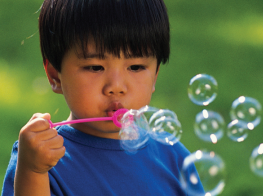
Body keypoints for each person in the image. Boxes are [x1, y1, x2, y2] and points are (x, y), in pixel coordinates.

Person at [2, 0, 204, 195]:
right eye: (95, 67)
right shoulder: (40, 161)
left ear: (155, 76)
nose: (116, 86)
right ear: (55, 76)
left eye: (136, 67)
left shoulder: (174, 157)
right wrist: (34, 172)